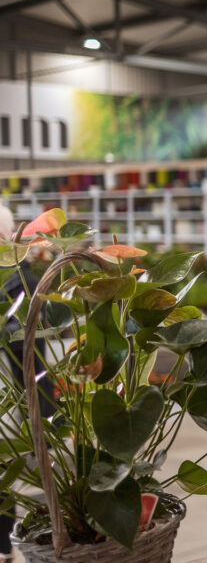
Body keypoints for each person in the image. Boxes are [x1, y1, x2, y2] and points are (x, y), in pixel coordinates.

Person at [0, 204, 55, 561]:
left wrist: (48, 423)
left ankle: (4, 548)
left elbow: (31, 359)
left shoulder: (20, 285)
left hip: (9, 403)